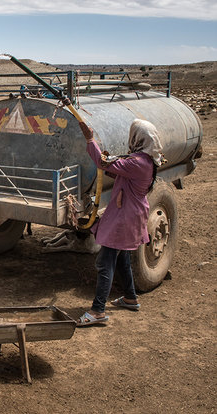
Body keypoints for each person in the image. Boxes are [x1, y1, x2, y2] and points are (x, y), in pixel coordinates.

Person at [77, 119, 164, 327]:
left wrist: (90, 139)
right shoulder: (146, 160)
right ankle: (130, 298)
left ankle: (98, 310)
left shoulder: (138, 163)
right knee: (123, 256)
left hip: (124, 217)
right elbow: (115, 169)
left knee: (105, 262)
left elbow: (101, 163)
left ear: (138, 139)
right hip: (131, 214)